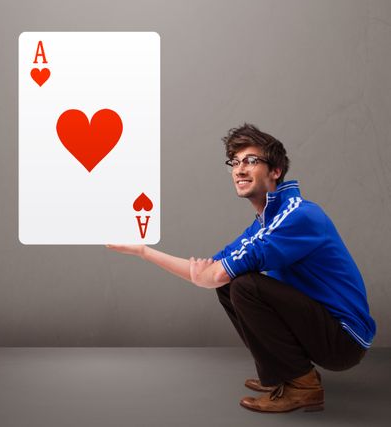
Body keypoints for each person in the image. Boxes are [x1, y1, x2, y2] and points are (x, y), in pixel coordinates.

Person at [106, 123, 376, 413]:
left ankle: (303, 386)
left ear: (276, 171)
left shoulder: (299, 215)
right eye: (234, 162)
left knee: (245, 286)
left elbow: (212, 274)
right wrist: (144, 251)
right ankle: (281, 374)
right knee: (230, 284)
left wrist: (210, 275)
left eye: (251, 161)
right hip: (320, 328)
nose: (239, 169)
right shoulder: (263, 224)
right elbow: (210, 270)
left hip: (344, 339)